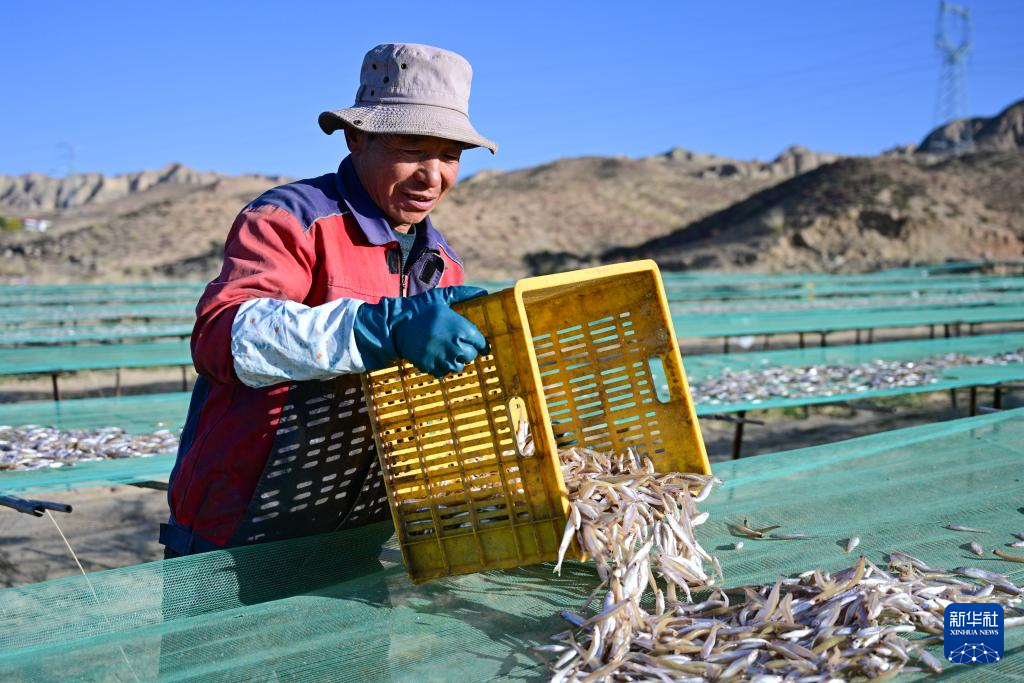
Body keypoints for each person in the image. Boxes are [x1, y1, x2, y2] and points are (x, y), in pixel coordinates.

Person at [159, 43, 497, 557]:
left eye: (450, 156)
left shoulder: (442, 264)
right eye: (412, 148)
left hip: (358, 527)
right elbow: (223, 337)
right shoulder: (292, 219)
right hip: (237, 530)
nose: (433, 176)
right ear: (356, 137)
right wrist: (379, 330)